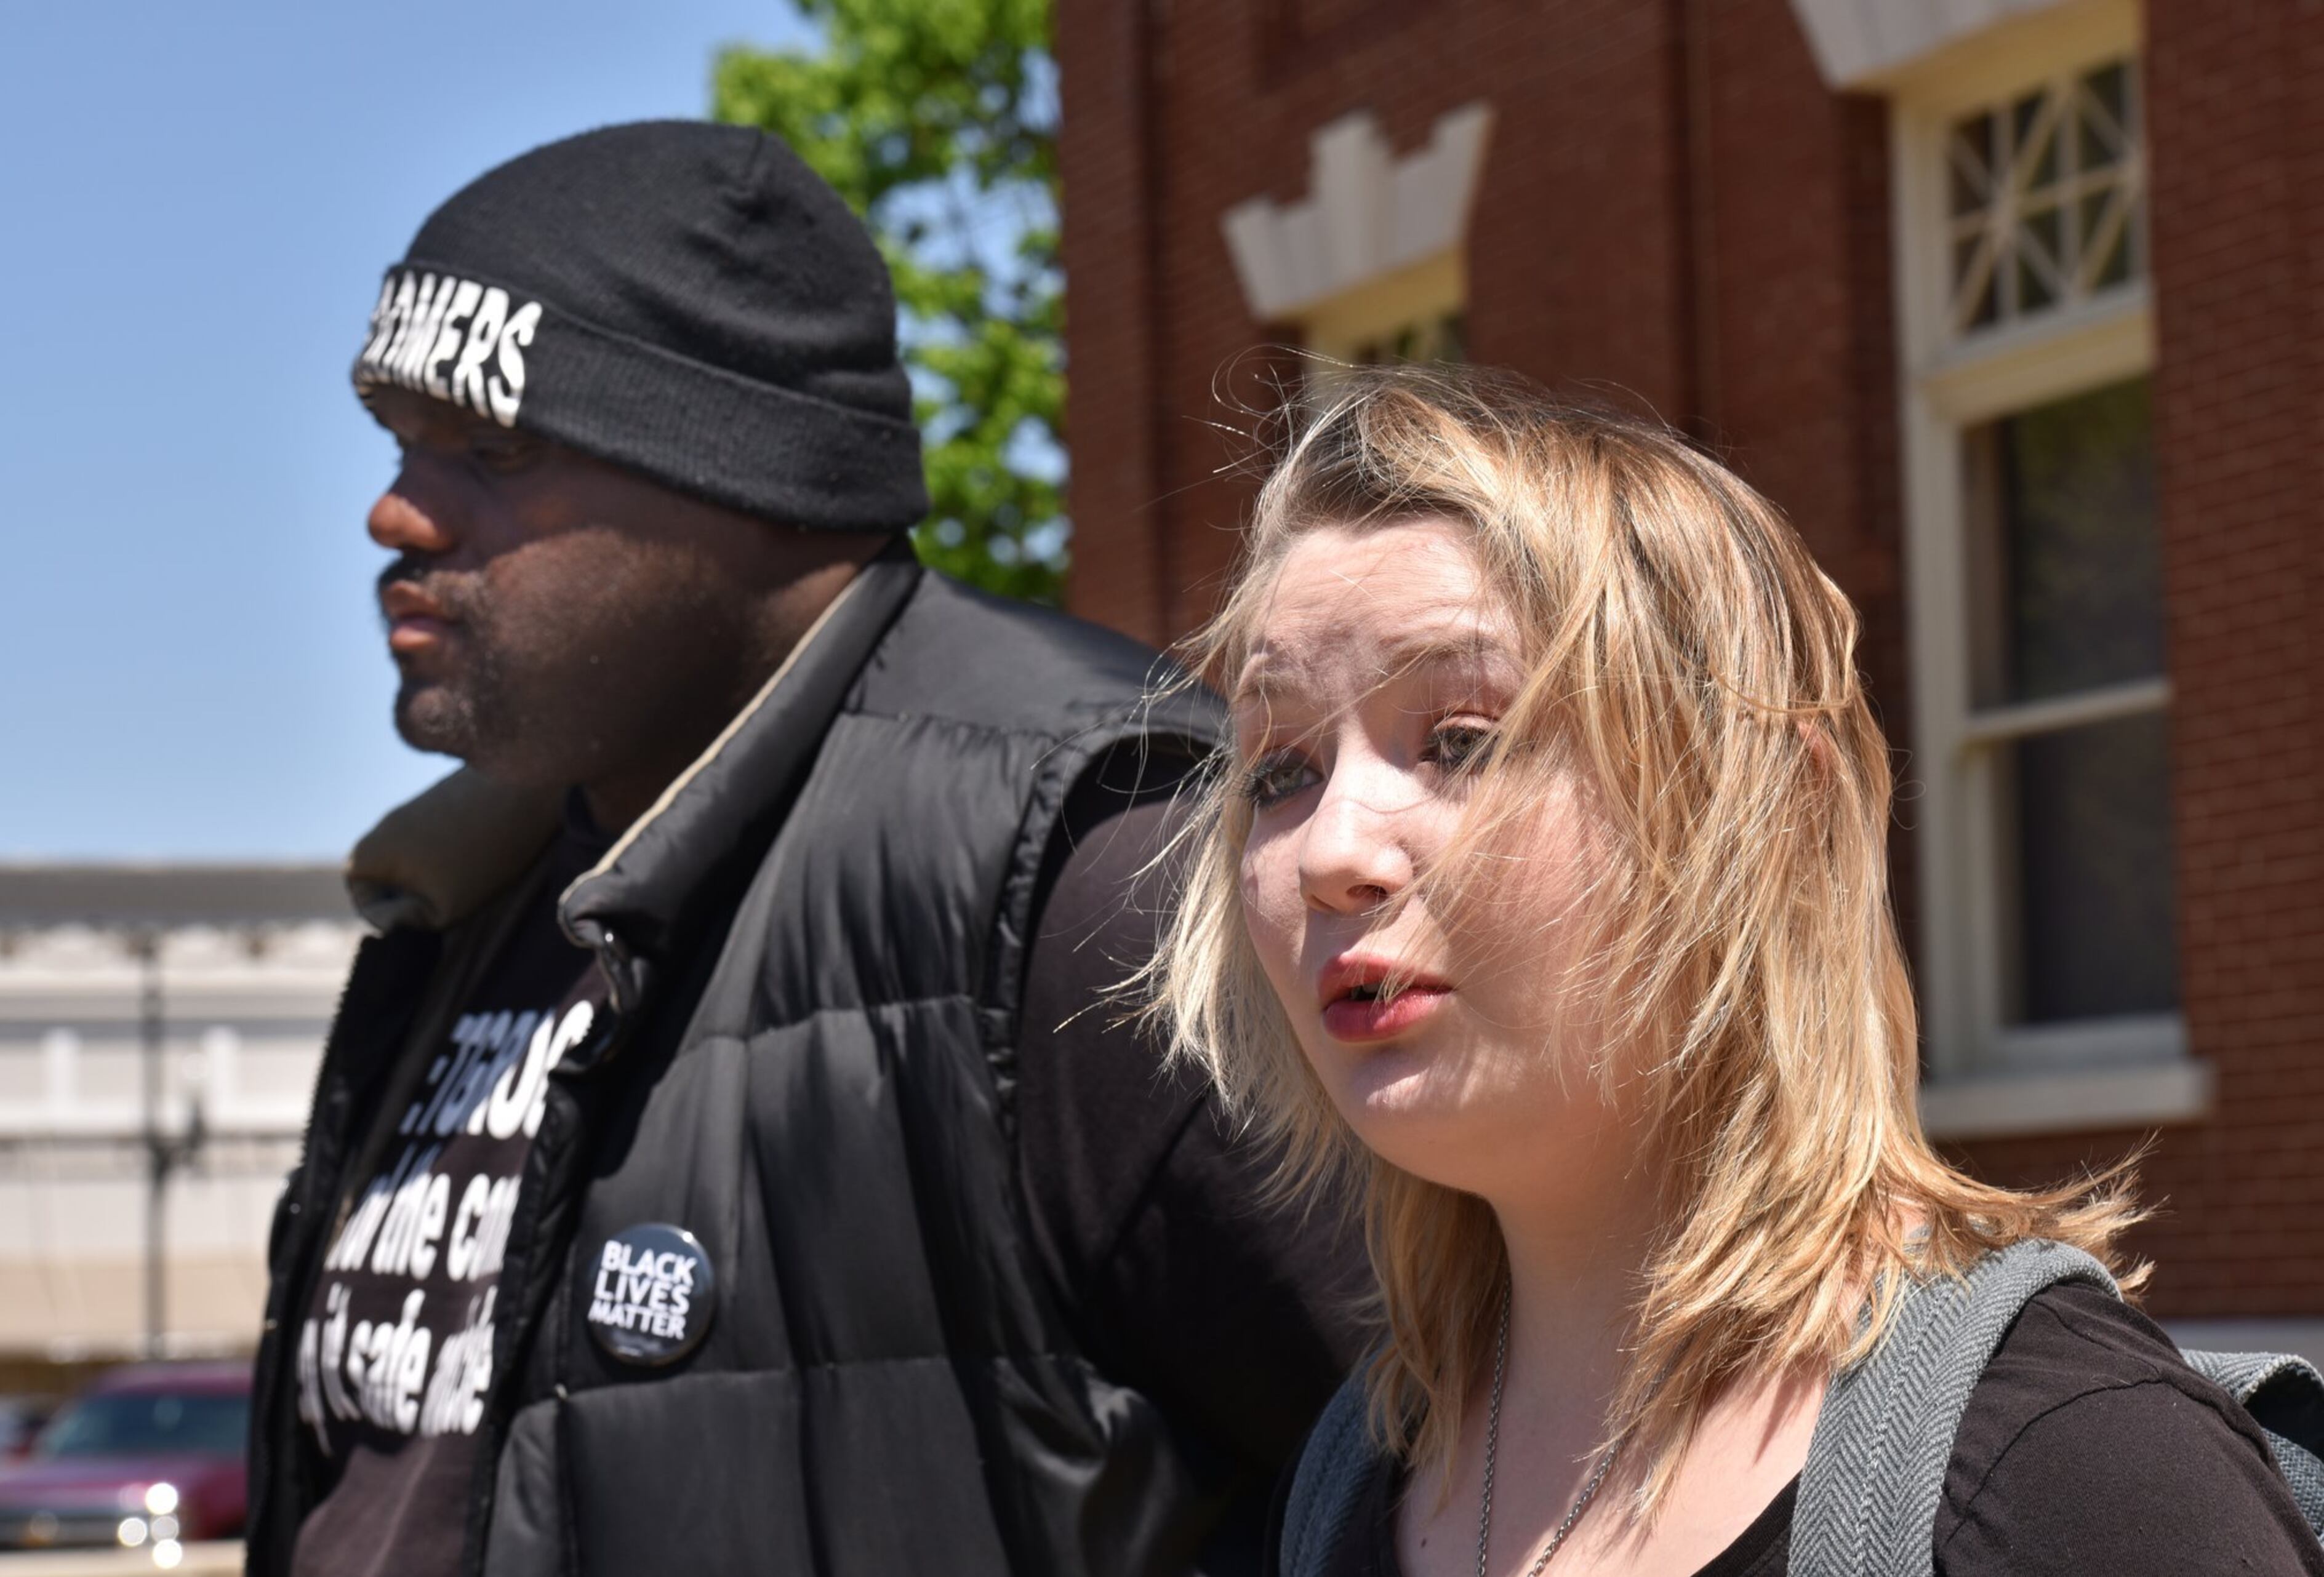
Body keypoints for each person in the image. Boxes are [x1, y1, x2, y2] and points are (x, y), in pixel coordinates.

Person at [244, 121, 1366, 1577]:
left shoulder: (1085, 865)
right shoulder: (458, 904)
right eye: (402, 443)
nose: (397, 509)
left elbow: (1459, 1450)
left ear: (754, 474)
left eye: (490, 447)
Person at [1147, 366, 2324, 1577]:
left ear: (1762, 814)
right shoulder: (1353, 1473)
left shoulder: (2081, 1479)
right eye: (1279, 768)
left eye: (1461, 739)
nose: (1333, 847)